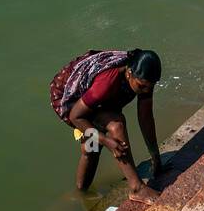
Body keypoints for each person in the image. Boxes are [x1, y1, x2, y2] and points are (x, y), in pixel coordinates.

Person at [49, 48, 164, 202]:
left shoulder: (144, 79)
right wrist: (105, 140)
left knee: (91, 149)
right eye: (142, 86)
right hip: (71, 100)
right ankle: (137, 188)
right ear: (129, 73)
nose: (146, 91)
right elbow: (76, 116)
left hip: (94, 101)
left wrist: (155, 156)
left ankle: (80, 195)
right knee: (116, 126)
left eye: (150, 86)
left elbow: (146, 118)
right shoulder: (107, 83)